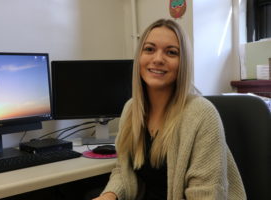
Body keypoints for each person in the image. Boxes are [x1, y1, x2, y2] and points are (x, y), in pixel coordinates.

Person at [93, 18, 246, 200]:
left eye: (171, 52)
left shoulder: (202, 114)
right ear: (139, 57)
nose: (158, 59)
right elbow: (123, 170)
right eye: (149, 49)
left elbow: (206, 195)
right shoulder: (131, 109)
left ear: (183, 63)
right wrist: (109, 196)